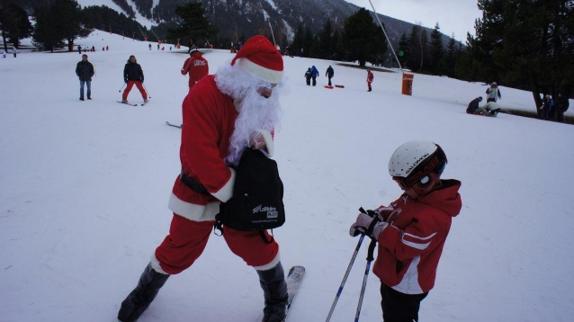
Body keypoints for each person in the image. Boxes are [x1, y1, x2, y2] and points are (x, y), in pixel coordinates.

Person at [117, 35, 288, 322]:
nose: (270, 95)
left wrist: (264, 139)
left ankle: (277, 298)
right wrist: (233, 191)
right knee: (179, 248)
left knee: (255, 245)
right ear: (244, 80)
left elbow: (268, 123)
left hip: (241, 191)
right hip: (199, 189)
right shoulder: (203, 96)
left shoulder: (260, 97)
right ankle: (143, 292)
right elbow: (199, 157)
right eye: (264, 88)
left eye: (273, 88)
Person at [349, 141, 462, 322]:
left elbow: (405, 246)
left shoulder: (436, 216)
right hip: (394, 276)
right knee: (389, 312)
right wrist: (378, 215)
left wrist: (374, 227)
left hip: (406, 285)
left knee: (398, 317)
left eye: (403, 184)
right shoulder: (417, 195)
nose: (402, 189)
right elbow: (398, 210)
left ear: (424, 180)